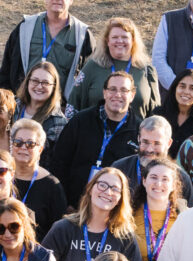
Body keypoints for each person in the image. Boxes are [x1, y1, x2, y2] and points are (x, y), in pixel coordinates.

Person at [42, 168, 140, 261]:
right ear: (90, 189)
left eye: (115, 189)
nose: (107, 191)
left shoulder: (125, 238)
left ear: (120, 199)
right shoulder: (63, 228)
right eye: (102, 185)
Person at [46, 73, 140, 207]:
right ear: (104, 92)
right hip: (73, 206)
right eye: (112, 89)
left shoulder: (138, 131)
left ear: (132, 95)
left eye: (124, 90)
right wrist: (64, 203)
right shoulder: (80, 121)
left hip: (112, 209)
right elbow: (59, 162)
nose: (118, 95)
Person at [0, 0, 94, 93]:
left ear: (71, 0)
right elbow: (7, 67)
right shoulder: (26, 26)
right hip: (24, 104)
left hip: (60, 107)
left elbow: (88, 76)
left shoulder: (82, 35)